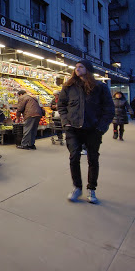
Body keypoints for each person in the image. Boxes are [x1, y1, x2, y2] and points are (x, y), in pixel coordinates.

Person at [58, 60, 115, 204]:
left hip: (92, 129)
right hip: (73, 128)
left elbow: (109, 109)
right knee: (74, 156)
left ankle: (92, 188)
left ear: (88, 69)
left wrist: (101, 128)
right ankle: (77, 187)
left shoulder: (100, 87)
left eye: (81, 67)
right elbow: (61, 106)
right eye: (76, 67)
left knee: (93, 159)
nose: (77, 69)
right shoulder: (68, 87)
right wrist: (66, 122)